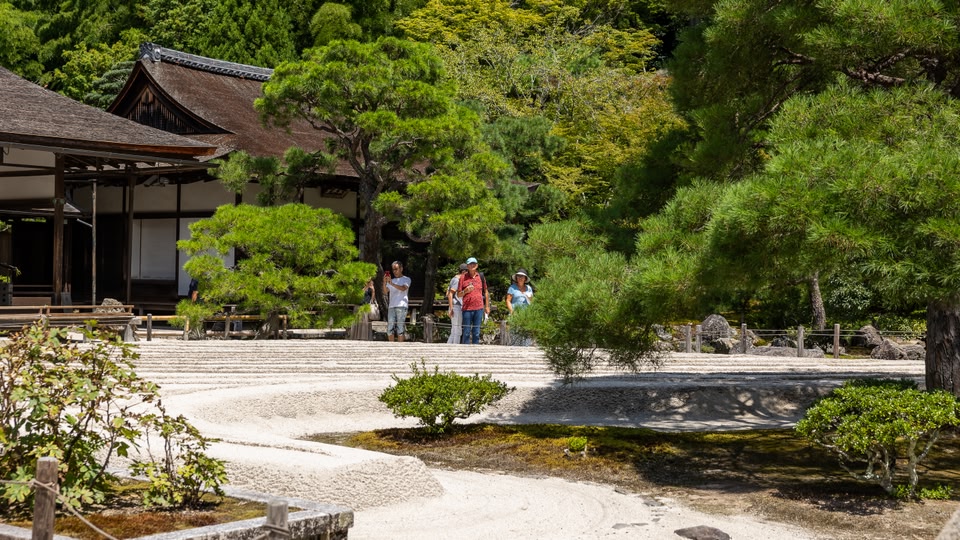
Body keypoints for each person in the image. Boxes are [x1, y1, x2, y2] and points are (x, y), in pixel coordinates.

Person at [456, 257, 489, 344]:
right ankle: (466, 349)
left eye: (474, 263)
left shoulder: (481, 277)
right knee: (466, 332)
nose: (472, 265)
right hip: (467, 308)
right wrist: (465, 291)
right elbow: (458, 294)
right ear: (467, 266)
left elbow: (486, 291)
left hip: (479, 308)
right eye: (470, 264)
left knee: (476, 332)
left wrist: (487, 306)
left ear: (477, 265)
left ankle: (475, 349)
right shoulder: (463, 278)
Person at [382, 261, 411, 342]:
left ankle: (400, 346)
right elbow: (385, 291)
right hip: (392, 306)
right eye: (393, 269)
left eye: (396, 269)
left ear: (401, 269)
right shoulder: (392, 280)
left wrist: (392, 284)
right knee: (390, 328)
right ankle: (391, 346)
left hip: (401, 305)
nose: (394, 271)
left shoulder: (406, 279)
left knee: (400, 327)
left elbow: (403, 288)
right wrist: (384, 282)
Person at [446, 263, 468, 344]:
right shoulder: (457, 280)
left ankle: (448, 347)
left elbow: (447, 292)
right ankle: (456, 347)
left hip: (455, 306)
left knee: (454, 330)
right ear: (464, 272)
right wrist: (451, 308)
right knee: (457, 330)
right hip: (456, 306)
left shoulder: (453, 279)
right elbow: (450, 294)